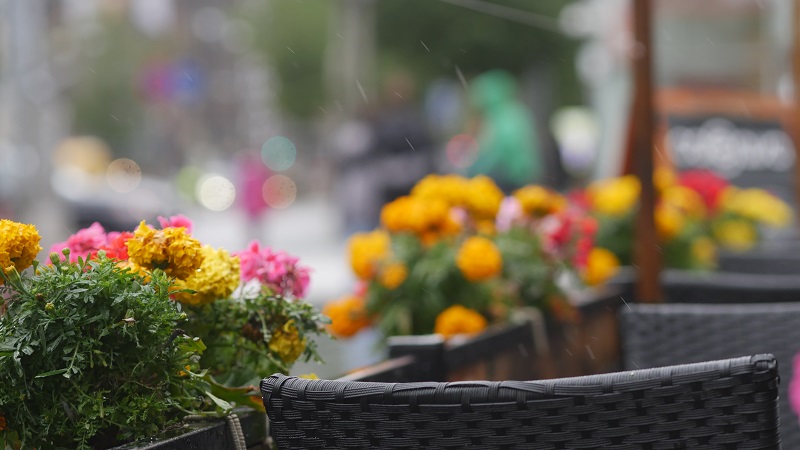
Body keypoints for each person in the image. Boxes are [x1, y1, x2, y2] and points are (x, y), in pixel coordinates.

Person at [466, 69, 543, 192]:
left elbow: (498, 152)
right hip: (525, 177)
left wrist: (473, 172)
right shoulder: (516, 110)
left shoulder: (502, 116)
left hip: (511, 179)